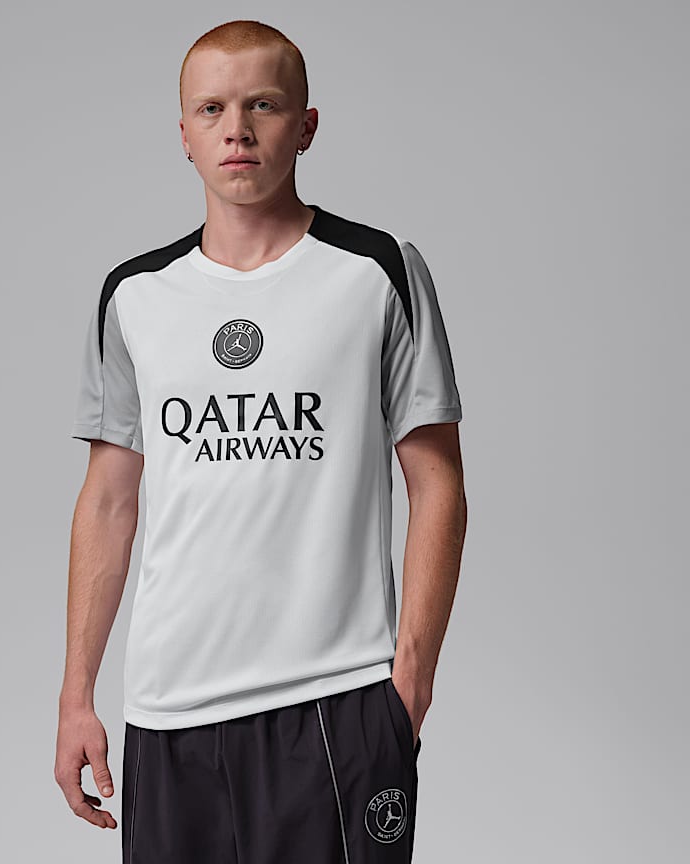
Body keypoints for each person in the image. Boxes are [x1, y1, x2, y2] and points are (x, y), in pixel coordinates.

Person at [55, 18, 467, 864]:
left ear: (306, 125)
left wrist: (409, 687)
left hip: (336, 700)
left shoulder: (376, 271)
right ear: (184, 133)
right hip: (169, 711)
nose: (236, 129)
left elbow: (439, 487)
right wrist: (77, 695)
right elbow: (108, 500)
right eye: (211, 108)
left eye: (263, 105)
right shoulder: (135, 296)